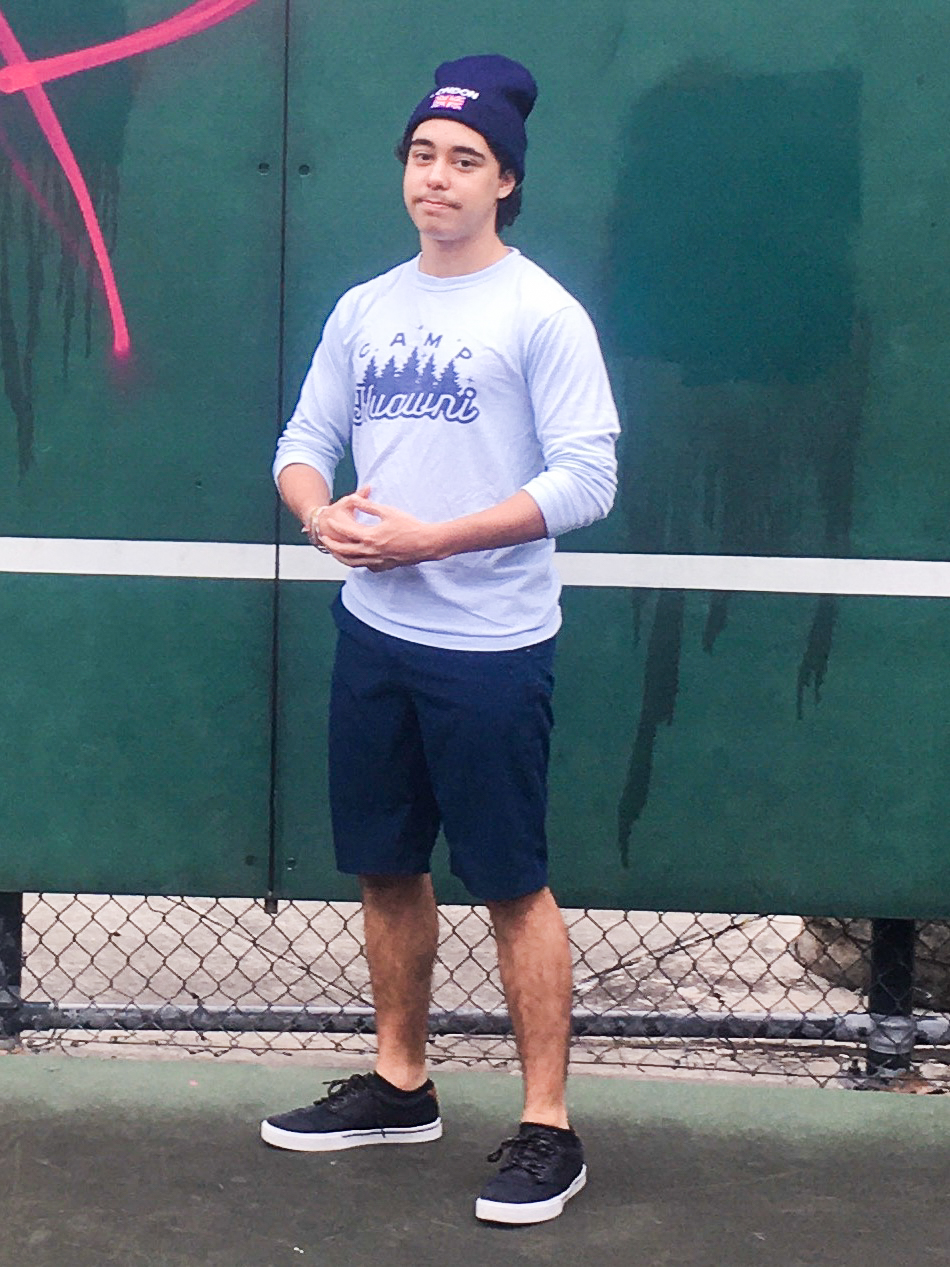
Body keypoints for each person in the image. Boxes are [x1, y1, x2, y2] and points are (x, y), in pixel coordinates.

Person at [260, 53, 619, 1226]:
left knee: (511, 883)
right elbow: (301, 444)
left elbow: (588, 479)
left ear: (504, 180)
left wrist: (438, 539)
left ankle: (547, 1127)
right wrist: (321, 514)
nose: (437, 177)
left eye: (465, 160)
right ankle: (401, 1085)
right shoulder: (366, 308)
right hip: (375, 639)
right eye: (422, 155)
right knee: (384, 864)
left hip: (492, 651)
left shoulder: (538, 312)